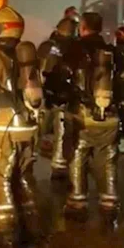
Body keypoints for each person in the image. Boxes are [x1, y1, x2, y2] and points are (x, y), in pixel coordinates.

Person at [0, 5, 43, 248]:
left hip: (6, 127)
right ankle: (33, 226)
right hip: (28, 126)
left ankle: (9, 232)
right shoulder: (26, 56)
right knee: (23, 176)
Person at [64, 11, 119, 220]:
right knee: (108, 157)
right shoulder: (114, 52)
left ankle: (77, 202)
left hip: (82, 114)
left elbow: (61, 77)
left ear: (83, 28)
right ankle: (109, 202)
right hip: (111, 116)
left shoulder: (75, 49)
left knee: (78, 154)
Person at [37, 16, 79, 178]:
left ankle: (25, 162)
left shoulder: (47, 46)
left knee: (37, 130)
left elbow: (38, 70)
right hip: (61, 96)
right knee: (62, 133)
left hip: (46, 96)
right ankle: (59, 166)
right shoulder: (74, 48)